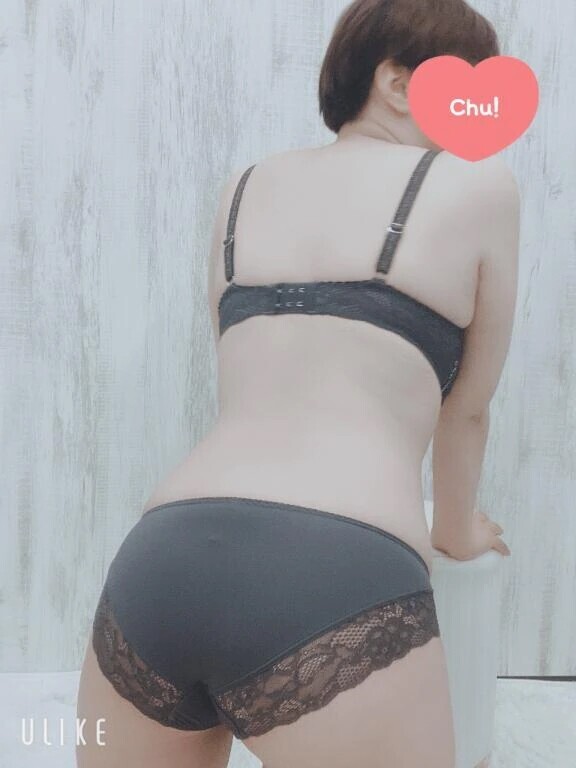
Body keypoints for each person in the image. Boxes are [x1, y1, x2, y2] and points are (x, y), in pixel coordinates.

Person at [76, 0, 518, 766]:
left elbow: (245, 378)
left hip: (159, 563)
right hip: (335, 571)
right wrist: (456, 531)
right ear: (396, 82)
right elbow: (467, 411)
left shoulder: (244, 187)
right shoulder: (480, 186)